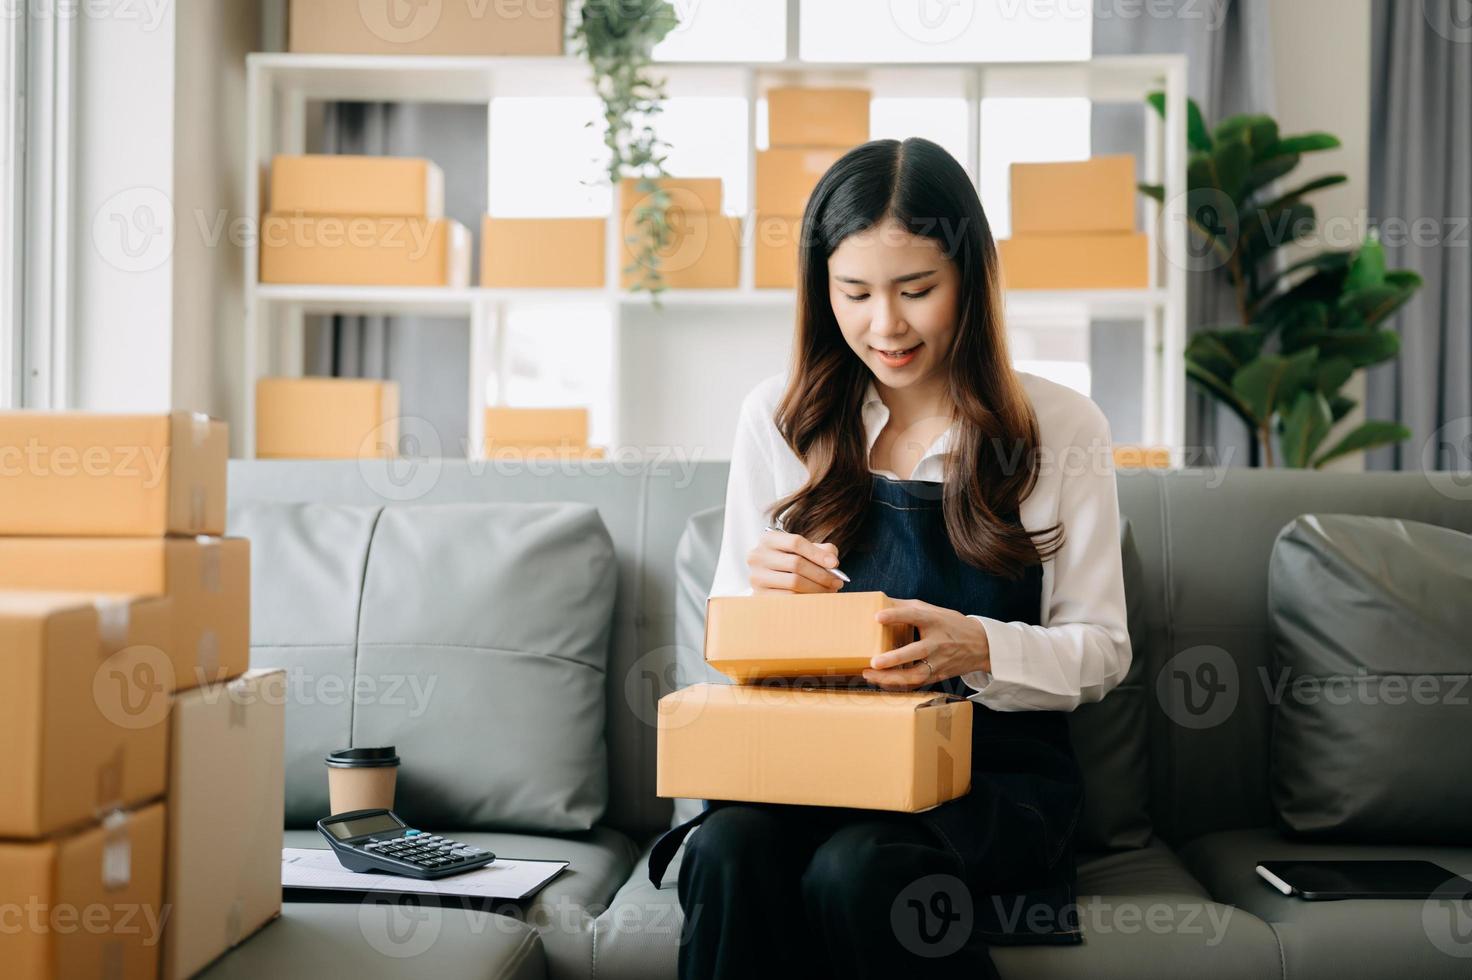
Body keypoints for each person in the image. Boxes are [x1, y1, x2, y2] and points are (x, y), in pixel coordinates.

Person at [648, 137, 1132, 979]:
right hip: (813, 761)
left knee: (860, 867)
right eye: (855, 292)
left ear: (971, 282)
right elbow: (725, 649)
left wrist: (979, 646)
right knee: (727, 851)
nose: (886, 325)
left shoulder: (1062, 428)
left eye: (917, 290)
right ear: (820, 289)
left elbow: (1103, 649)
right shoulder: (777, 417)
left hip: (984, 779)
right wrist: (761, 608)